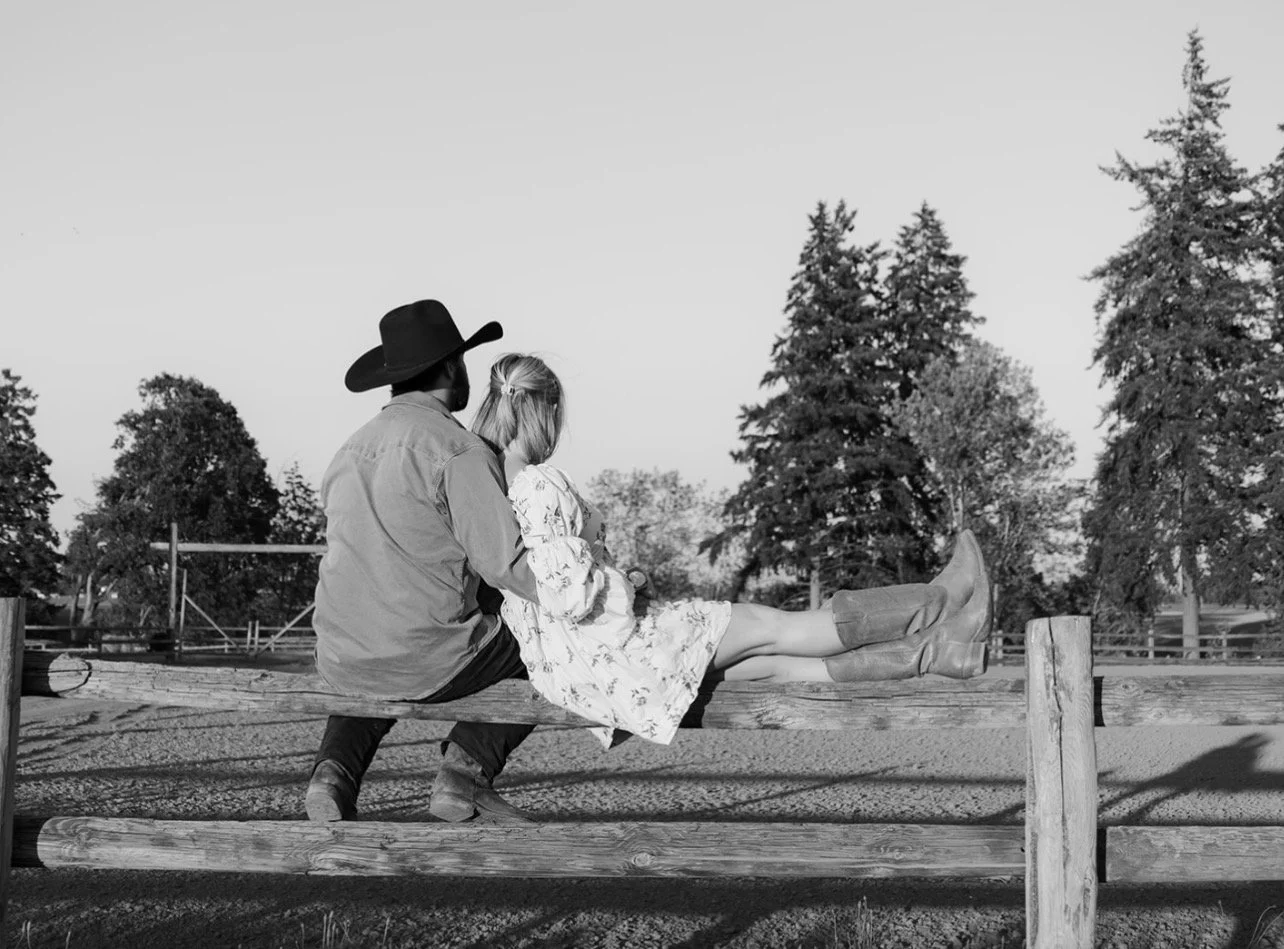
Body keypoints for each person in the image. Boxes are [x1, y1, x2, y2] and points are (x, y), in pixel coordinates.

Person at [470, 353, 993, 747]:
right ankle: (941, 599)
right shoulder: (537, 483)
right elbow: (568, 592)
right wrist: (623, 583)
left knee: (778, 666)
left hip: (586, 672)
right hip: (625, 652)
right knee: (776, 626)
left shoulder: (488, 485)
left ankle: (943, 651)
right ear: (543, 408)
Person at [305, 299, 544, 825]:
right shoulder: (458, 450)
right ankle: (465, 770)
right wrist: (586, 595)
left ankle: (333, 772)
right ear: (452, 367)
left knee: (378, 650)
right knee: (547, 652)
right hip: (428, 659)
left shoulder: (349, 449)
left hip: (341, 655)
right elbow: (505, 565)